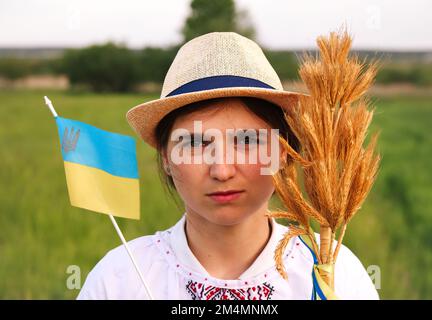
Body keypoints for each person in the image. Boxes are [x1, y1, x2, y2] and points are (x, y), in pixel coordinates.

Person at [77, 32, 379, 300]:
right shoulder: (119, 280)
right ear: (166, 158)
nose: (222, 170)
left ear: (284, 151)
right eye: (195, 143)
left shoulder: (333, 275)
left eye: (247, 141)